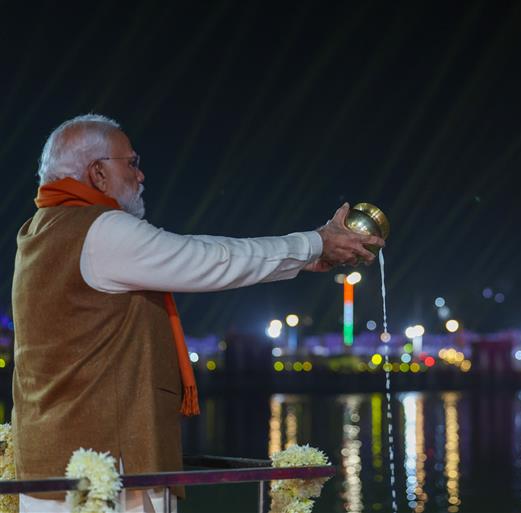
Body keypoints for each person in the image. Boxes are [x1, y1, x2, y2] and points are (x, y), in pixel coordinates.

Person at [11, 114, 384, 513]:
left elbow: (197, 254)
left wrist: (302, 257)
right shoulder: (100, 230)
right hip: (109, 476)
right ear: (98, 172)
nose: (140, 176)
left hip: (48, 471)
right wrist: (315, 243)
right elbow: (210, 259)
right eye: (131, 163)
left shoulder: (38, 231)